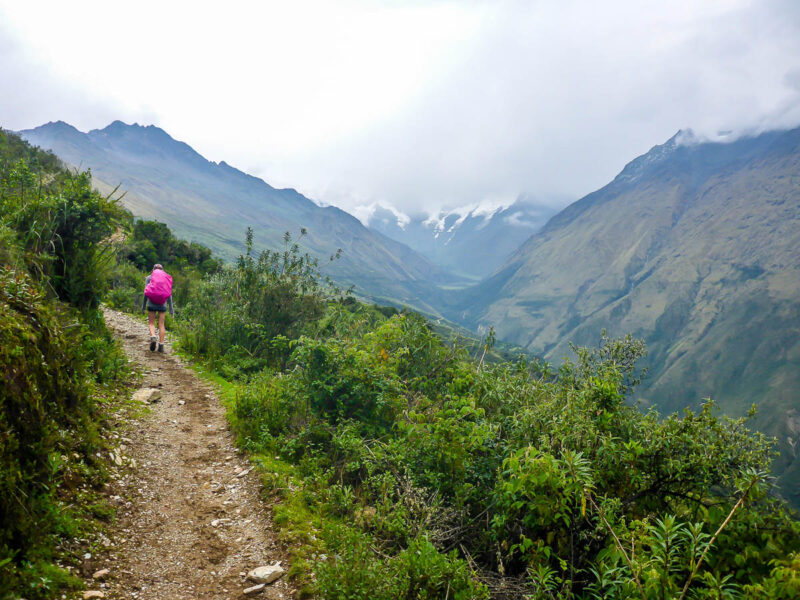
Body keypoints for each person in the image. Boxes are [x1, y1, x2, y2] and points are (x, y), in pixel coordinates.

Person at [141, 264, 174, 352]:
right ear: (162, 270)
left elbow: (146, 292)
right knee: (161, 324)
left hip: (151, 304)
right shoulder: (166, 278)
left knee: (151, 323)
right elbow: (169, 295)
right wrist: (171, 309)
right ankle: (161, 345)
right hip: (162, 304)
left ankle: (153, 337)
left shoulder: (149, 278)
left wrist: (143, 307)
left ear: (153, 269)